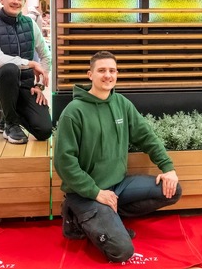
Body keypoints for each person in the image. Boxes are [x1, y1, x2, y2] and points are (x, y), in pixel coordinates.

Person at [53, 51, 182, 263]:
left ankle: (110, 218)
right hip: (86, 192)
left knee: (172, 190)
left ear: (117, 74)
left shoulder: (121, 103)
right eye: (101, 70)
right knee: (121, 251)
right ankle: (76, 217)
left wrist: (168, 168)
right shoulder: (73, 112)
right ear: (90, 74)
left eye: (112, 70)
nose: (108, 75)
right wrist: (95, 192)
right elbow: (64, 162)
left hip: (118, 185)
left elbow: (146, 137)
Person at [0, 0, 52, 144]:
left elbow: (46, 56)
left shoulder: (30, 24)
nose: (15, 1)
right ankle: (9, 123)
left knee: (44, 130)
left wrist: (38, 86)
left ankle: (8, 112)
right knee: (10, 69)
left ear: (24, 2)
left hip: (25, 88)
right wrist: (31, 63)